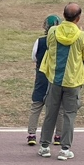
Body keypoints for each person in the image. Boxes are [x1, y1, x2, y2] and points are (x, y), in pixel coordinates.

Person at [38, 3, 84, 160]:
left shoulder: (53, 31)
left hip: (55, 78)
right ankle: (65, 149)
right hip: (73, 81)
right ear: (78, 18)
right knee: (69, 115)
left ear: (63, 15)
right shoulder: (82, 35)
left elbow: (49, 46)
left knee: (51, 113)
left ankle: (44, 146)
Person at [27, 14, 61, 147]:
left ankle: (31, 134)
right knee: (59, 107)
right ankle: (58, 135)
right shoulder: (62, 41)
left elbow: (34, 57)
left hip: (42, 75)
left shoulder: (40, 41)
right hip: (56, 76)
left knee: (36, 105)